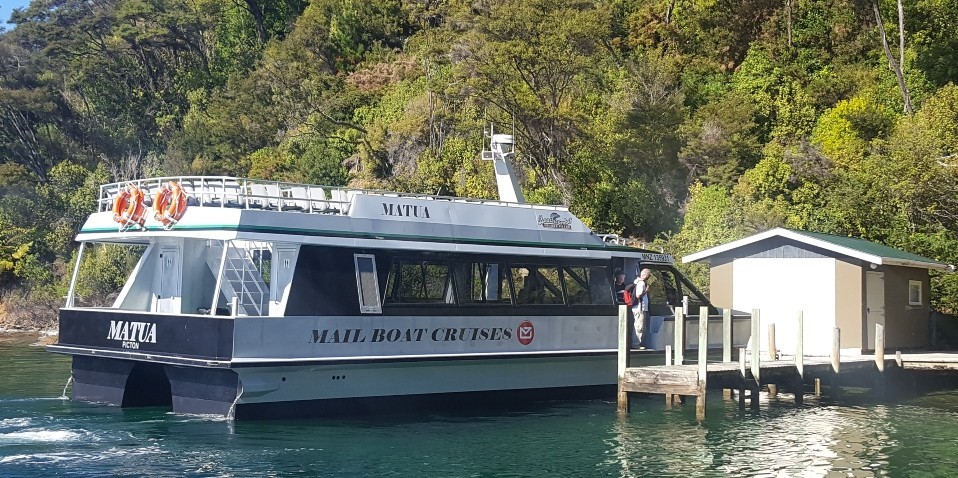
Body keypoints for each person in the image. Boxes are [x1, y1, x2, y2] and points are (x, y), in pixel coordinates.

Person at [627, 268, 652, 349]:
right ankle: (635, 344)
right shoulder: (641, 283)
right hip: (639, 307)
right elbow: (638, 295)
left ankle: (636, 343)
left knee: (638, 325)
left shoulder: (636, 281)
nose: (648, 277)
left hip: (637, 307)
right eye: (648, 275)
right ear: (645, 275)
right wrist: (646, 291)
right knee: (639, 326)